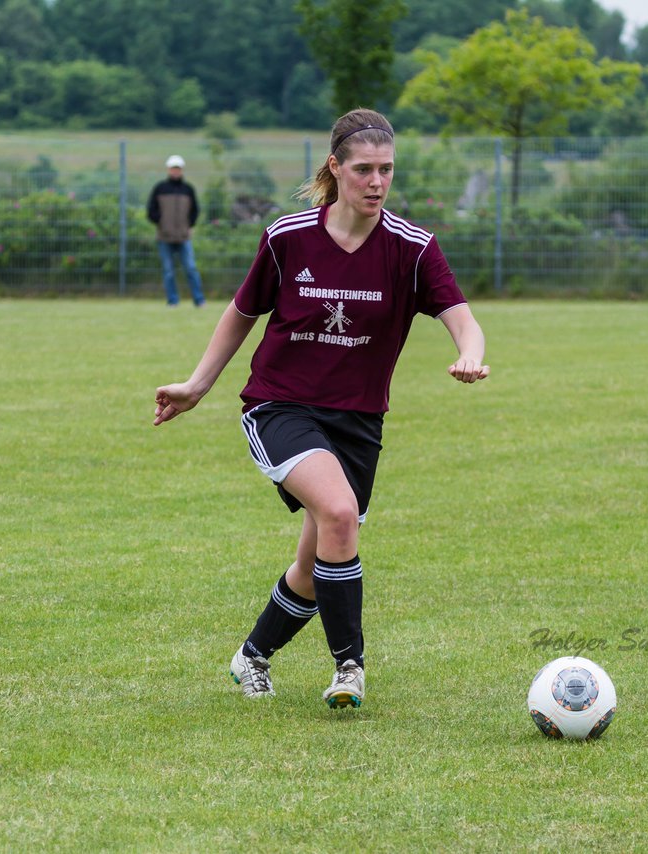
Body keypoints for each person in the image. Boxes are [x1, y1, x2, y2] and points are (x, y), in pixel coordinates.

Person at [152, 108, 489, 707]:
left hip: (358, 421)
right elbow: (241, 312)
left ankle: (253, 654)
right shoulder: (289, 237)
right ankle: (349, 667)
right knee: (337, 513)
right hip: (280, 406)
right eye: (364, 169)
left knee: (316, 564)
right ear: (336, 168)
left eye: (386, 169)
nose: (377, 182)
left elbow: (463, 319)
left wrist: (471, 353)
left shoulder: (412, 249)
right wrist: (198, 385)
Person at [147, 154, 206, 308]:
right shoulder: (160, 188)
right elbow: (151, 210)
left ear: (181, 170)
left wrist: (189, 225)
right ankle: (173, 301)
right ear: (168, 169)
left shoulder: (188, 189)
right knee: (168, 271)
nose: (175, 171)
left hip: (184, 236)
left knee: (191, 268)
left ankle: (199, 300)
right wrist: (161, 222)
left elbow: (195, 210)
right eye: (173, 168)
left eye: (178, 168)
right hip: (164, 237)